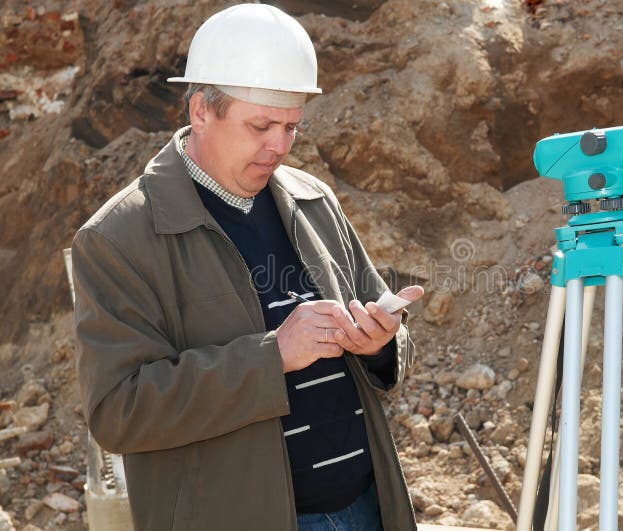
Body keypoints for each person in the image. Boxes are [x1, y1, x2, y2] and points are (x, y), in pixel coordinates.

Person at [71, 4, 422, 530]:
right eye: (260, 125)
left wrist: (382, 342)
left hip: (368, 509)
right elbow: (119, 412)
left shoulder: (314, 199)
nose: (279, 146)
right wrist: (271, 357)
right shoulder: (118, 238)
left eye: (291, 127)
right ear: (200, 112)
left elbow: (387, 341)